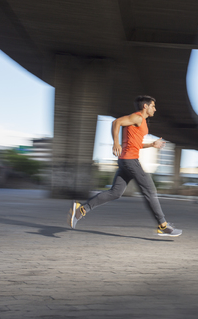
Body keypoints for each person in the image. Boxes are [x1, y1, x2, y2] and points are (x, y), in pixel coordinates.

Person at [67, 95, 182, 237]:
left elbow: (136, 144)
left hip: (125, 160)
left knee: (115, 193)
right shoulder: (138, 117)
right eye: (153, 106)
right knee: (150, 190)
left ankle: (81, 210)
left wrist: (152, 144)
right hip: (130, 160)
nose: (155, 109)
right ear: (145, 106)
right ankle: (163, 225)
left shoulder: (142, 122)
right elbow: (116, 122)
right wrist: (116, 142)